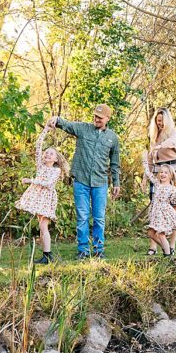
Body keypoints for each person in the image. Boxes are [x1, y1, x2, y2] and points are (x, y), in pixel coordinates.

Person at [47, 104, 121, 260]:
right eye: (95, 116)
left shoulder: (112, 138)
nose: (96, 119)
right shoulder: (83, 129)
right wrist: (57, 120)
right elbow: (67, 125)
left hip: (100, 183)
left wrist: (116, 183)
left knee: (99, 218)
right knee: (82, 216)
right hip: (81, 180)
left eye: (100, 118)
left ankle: (98, 249)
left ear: (107, 118)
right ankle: (83, 250)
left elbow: (115, 163)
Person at [14, 124, 68, 265]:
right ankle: (46, 255)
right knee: (41, 227)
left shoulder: (56, 171)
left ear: (56, 159)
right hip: (37, 198)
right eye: (46, 152)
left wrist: (31, 180)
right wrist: (45, 130)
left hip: (46, 199)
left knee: (44, 227)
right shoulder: (40, 166)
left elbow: (49, 184)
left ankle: (48, 255)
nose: (47, 154)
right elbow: (38, 145)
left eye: (51, 154)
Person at [141, 151, 176, 257]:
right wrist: (145, 161)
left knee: (161, 234)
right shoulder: (157, 184)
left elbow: (173, 201)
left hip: (164, 214)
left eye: (166, 173)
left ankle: (167, 254)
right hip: (155, 213)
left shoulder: (172, 188)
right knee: (151, 233)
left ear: (170, 176)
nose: (163, 174)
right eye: (161, 172)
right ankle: (166, 249)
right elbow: (148, 174)